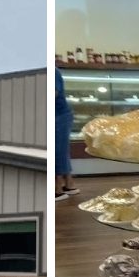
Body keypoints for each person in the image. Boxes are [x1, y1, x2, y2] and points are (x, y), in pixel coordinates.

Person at [54, 68, 77, 201]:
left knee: (57, 150)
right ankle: (69, 184)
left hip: (58, 115)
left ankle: (56, 189)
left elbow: (54, 93)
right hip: (60, 114)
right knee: (61, 150)